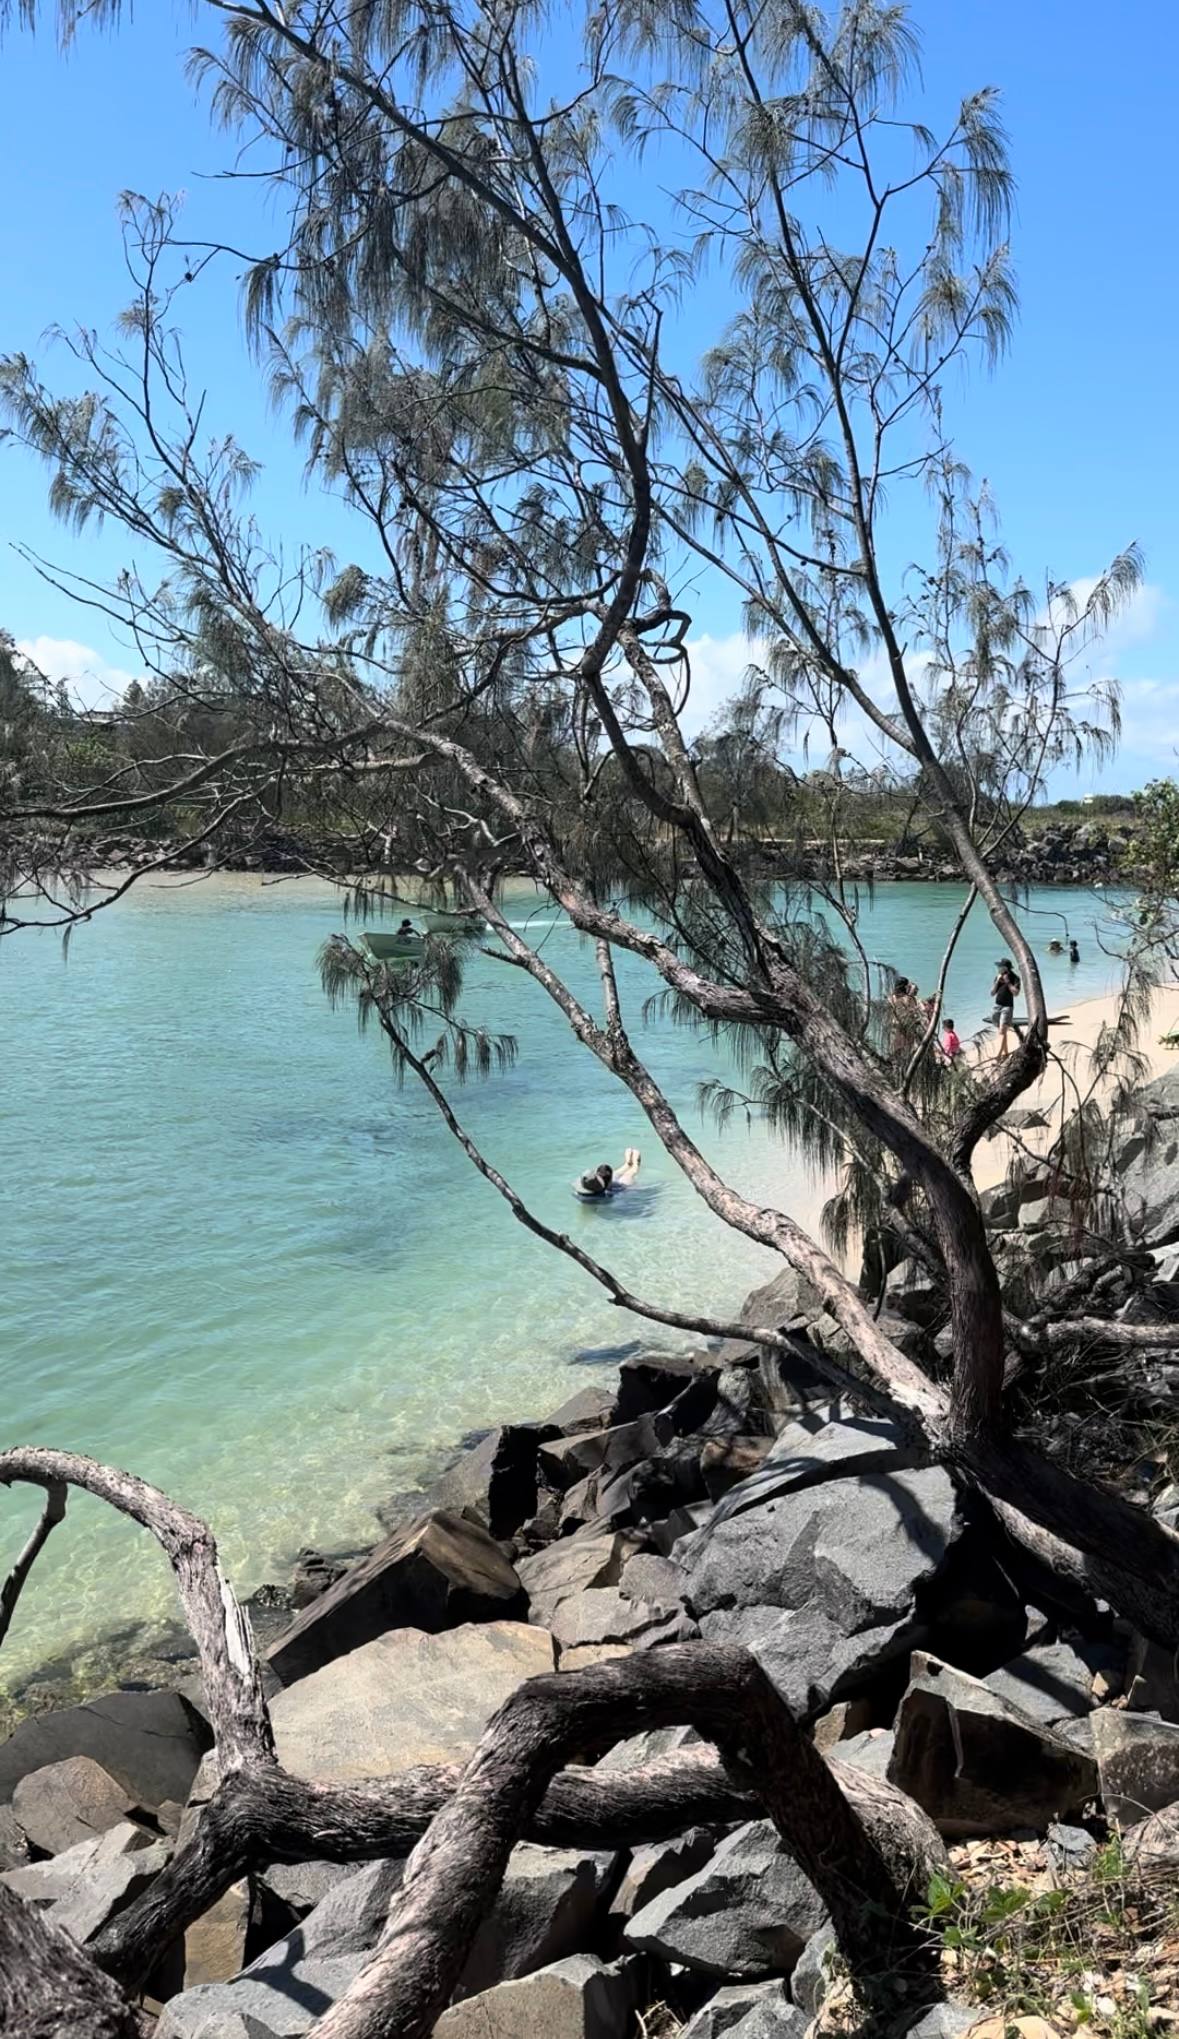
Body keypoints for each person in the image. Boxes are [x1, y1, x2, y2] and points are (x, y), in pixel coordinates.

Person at [577, 1149, 641, 1198]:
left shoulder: (583, 1193)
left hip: (618, 1186)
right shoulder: (601, 1182)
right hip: (610, 1183)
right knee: (620, 1173)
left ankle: (633, 1164)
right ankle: (628, 1164)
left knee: (629, 1174)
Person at [991, 959, 1020, 1059]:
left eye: (1000, 966)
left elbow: (1016, 993)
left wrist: (1008, 983)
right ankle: (1006, 1053)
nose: (998, 968)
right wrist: (997, 981)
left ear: (1006, 968)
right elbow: (992, 993)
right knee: (1001, 1031)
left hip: (1008, 1007)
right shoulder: (998, 977)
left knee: (1002, 1031)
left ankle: (998, 1056)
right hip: (997, 1006)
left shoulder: (1015, 978)